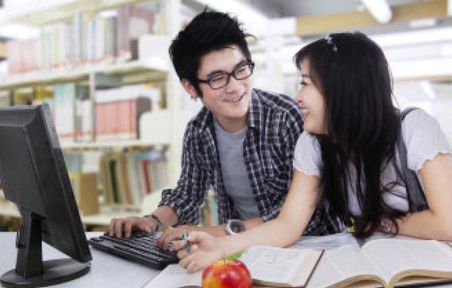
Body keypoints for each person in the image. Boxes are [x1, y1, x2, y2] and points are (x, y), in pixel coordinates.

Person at [173, 32, 452, 273]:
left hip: (434, 269)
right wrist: (221, 246)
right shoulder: (314, 143)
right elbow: (287, 226)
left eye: (305, 83)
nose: (297, 97)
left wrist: (383, 224)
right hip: (373, 264)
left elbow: (447, 223)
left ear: (341, 89)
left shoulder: (414, 128)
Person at [106, 11, 343, 246]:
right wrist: (152, 221)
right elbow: (188, 194)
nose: (235, 87)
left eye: (240, 70)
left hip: (313, 245)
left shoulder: (286, 117)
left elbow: (307, 217)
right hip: (243, 248)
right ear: (190, 87)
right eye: (217, 78)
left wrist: (218, 232)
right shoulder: (199, 131)